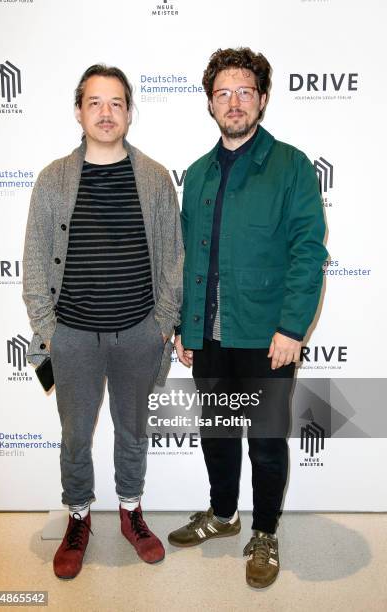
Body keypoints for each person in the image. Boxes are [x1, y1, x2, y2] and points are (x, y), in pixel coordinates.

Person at [168, 48, 328, 589]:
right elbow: (189, 257)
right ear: (210, 103)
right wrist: (184, 328)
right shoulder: (196, 173)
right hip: (208, 335)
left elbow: (309, 252)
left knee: (263, 440)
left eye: (244, 92)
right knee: (215, 433)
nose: (233, 102)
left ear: (262, 98)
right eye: (223, 93)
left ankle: (264, 532)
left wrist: (291, 328)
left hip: (266, 336)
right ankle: (223, 514)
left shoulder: (291, 166)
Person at [23, 64, 183, 578]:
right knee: (75, 436)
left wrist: (163, 322)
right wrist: (49, 333)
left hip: (140, 332)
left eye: (116, 103)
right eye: (95, 102)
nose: (106, 112)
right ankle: (78, 516)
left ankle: (131, 511)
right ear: (78, 111)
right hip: (71, 337)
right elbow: (33, 260)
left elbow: (174, 259)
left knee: (132, 432)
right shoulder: (53, 179)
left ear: (130, 112)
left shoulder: (157, 178)